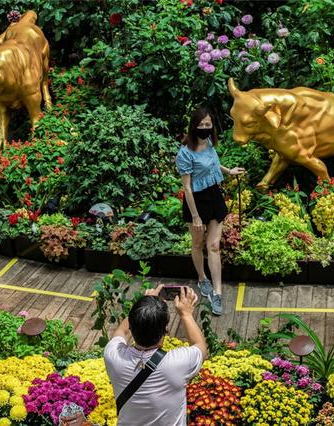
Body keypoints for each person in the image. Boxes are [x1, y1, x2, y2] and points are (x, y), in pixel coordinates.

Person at [104, 285, 207, 426]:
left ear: (131, 326)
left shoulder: (113, 356)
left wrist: (144, 304)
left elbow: (122, 333)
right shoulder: (178, 362)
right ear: (166, 330)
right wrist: (186, 314)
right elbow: (200, 346)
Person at [175, 107, 245, 315]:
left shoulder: (210, 144)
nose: (205, 128)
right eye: (201, 125)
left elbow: (214, 164)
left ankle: (217, 292)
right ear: (194, 126)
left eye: (208, 124)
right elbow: (187, 187)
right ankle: (201, 278)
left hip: (213, 196)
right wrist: (195, 216)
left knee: (213, 245)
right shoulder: (185, 153)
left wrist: (228, 171)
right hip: (196, 201)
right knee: (197, 243)